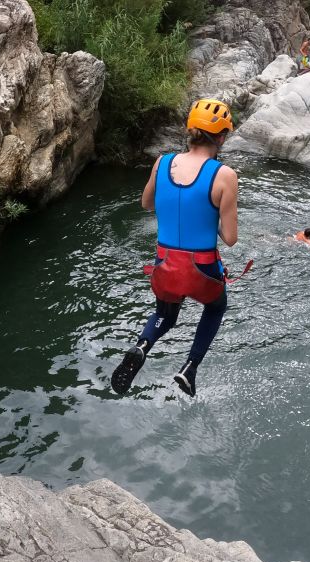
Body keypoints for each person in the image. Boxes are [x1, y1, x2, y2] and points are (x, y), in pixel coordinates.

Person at [111, 98, 238, 397]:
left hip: (165, 265)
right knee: (216, 306)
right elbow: (230, 238)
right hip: (202, 269)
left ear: (191, 130)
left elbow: (146, 203)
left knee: (167, 315)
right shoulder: (225, 175)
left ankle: (143, 344)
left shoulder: (163, 162)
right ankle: (189, 368)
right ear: (220, 137)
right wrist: (212, 216)